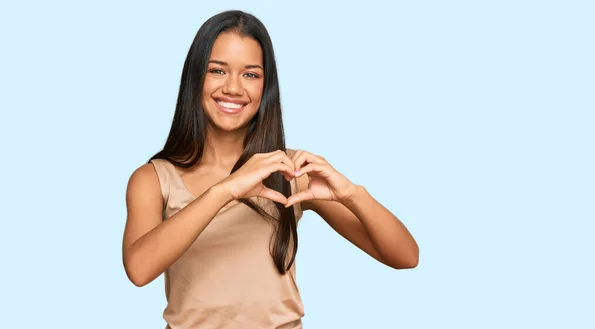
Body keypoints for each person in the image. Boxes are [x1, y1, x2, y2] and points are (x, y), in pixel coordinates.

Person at [122, 9, 419, 329]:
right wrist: (224, 190)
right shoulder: (154, 178)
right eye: (218, 70)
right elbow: (139, 270)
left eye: (250, 74)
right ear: (196, 76)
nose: (233, 88)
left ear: (266, 87)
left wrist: (353, 195)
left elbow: (405, 257)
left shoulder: (291, 170)